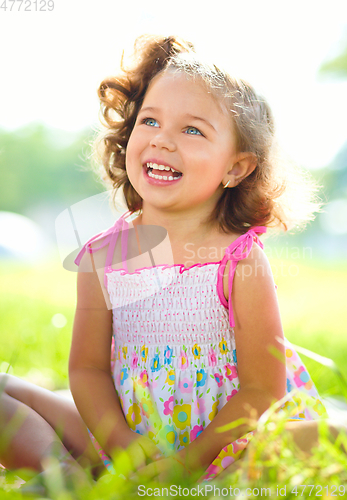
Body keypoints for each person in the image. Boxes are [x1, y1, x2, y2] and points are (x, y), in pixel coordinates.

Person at [0, 35, 341, 486]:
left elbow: (263, 389)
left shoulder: (239, 259)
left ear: (235, 168)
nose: (163, 140)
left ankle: (209, 486)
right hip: (125, 434)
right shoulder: (104, 256)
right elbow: (87, 369)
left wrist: (189, 460)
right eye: (151, 121)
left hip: (226, 444)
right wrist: (123, 445)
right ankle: (70, 479)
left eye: (192, 130)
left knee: (332, 437)